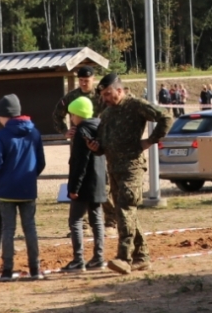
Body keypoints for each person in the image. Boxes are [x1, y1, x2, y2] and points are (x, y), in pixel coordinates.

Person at [95, 72, 171, 274]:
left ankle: (123, 258)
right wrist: (96, 146)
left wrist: (150, 140)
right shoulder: (107, 113)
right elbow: (102, 142)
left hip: (131, 167)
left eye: (108, 93)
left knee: (125, 209)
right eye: (103, 95)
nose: (106, 98)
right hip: (114, 168)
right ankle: (142, 256)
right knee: (126, 213)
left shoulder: (135, 105)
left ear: (119, 90)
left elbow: (165, 116)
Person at [0, 93, 45, 280]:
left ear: (5, 115)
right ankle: (35, 269)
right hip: (28, 188)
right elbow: (41, 162)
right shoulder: (34, 132)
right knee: (30, 228)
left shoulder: (2, 135)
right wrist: (30, 177)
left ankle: (7, 270)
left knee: (8, 230)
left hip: (5, 190)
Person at [64, 96, 107, 272]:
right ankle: (98, 257)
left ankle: (78, 259)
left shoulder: (82, 130)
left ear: (78, 114)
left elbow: (80, 162)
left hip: (84, 184)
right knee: (96, 219)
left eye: (72, 115)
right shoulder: (99, 126)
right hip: (99, 181)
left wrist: (74, 187)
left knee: (75, 220)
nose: (71, 118)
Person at [53, 65, 99, 136]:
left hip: (97, 137)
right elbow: (57, 114)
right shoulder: (71, 96)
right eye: (81, 80)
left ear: (94, 79)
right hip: (78, 137)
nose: (83, 83)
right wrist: (65, 131)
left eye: (86, 81)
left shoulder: (101, 96)